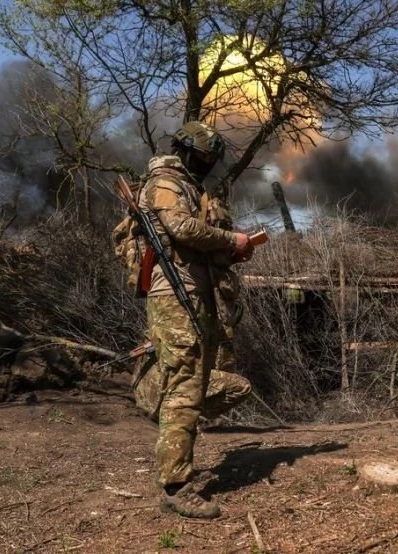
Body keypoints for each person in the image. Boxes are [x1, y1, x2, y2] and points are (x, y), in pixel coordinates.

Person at [136, 120, 254, 519]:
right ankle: (176, 486)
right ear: (184, 150)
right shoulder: (165, 182)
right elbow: (181, 227)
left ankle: (175, 451)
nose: (208, 164)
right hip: (174, 294)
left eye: (211, 159)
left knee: (195, 381)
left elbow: (197, 238)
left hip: (193, 291)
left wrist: (232, 249)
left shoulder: (190, 186)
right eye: (203, 157)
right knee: (186, 383)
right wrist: (230, 240)